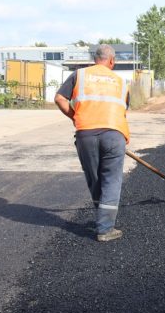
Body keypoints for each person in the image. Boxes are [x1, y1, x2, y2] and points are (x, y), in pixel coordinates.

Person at [54, 44, 130, 242]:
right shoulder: (121, 82)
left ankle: (102, 220)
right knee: (111, 181)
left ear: (95, 58)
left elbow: (60, 98)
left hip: (86, 134)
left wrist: (75, 117)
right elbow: (123, 110)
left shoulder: (80, 75)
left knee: (95, 178)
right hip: (114, 133)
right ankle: (105, 228)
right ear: (112, 61)